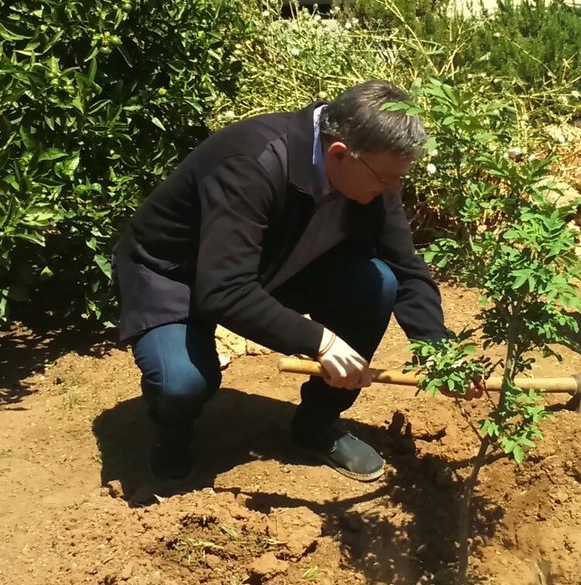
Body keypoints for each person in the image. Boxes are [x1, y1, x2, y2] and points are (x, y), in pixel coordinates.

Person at [114, 80, 475, 483]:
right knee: (181, 382)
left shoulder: (370, 167)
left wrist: (441, 354)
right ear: (340, 153)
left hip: (274, 263)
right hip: (174, 274)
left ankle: (316, 425)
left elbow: (406, 267)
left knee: (376, 284)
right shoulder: (250, 163)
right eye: (387, 179)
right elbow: (225, 290)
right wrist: (322, 341)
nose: (393, 189)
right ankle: (173, 432)